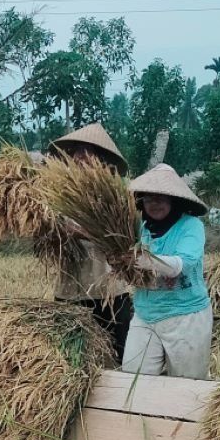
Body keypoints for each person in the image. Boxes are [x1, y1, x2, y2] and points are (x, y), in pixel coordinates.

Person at [46, 123, 133, 363]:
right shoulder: (57, 195)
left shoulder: (116, 196)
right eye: (76, 151)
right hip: (70, 289)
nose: (80, 157)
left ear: (102, 159)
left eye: (88, 151)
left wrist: (82, 232)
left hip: (109, 292)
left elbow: (123, 240)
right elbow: (45, 235)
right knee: (72, 361)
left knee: (116, 358)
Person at [120, 164, 213, 380]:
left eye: (162, 198)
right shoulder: (136, 227)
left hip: (186, 316)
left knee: (187, 383)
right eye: (149, 198)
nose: (155, 204)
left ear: (174, 200)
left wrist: (141, 260)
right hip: (146, 314)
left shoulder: (191, 226)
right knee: (134, 377)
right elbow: (128, 269)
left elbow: (181, 265)